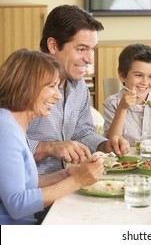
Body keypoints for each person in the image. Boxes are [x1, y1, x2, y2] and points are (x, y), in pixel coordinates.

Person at [0, 49, 105, 225]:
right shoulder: (5, 130)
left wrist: (65, 174)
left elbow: (23, 184)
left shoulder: (12, 124)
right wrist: (77, 181)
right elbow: (17, 204)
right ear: (26, 86)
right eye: (51, 87)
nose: (58, 96)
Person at [26, 5, 130, 176]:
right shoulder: (23, 82)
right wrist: (49, 147)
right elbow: (5, 141)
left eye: (92, 49)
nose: (90, 59)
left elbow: (81, 132)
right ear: (53, 45)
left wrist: (103, 145)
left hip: (63, 180)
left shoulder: (79, 86)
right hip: (29, 188)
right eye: (81, 49)